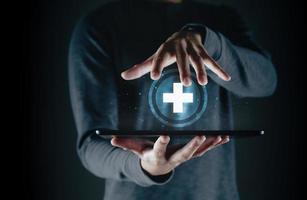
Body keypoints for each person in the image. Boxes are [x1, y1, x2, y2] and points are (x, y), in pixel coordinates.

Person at [68, 0, 277, 199]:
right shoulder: (99, 26)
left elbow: (265, 82)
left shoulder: (223, 19)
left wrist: (208, 42)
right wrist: (144, 165)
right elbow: (91, 146)